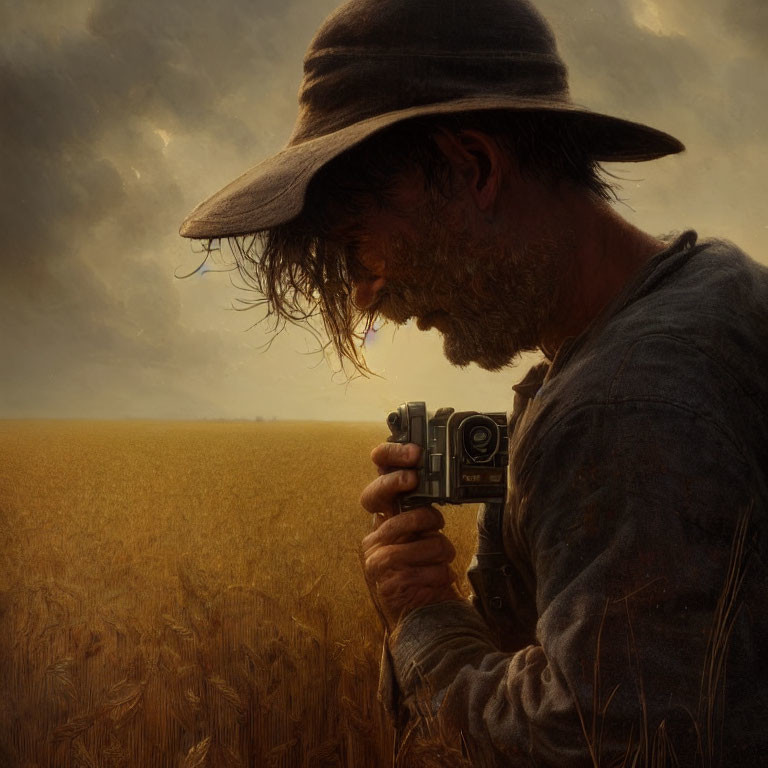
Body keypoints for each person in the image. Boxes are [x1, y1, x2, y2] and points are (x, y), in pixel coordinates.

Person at [180, 0, 768, 764]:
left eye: (359, 248)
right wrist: (514, 495)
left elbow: (590, 745)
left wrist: (421, 615)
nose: (364, 295)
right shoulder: (715, 285)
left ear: (474, 170)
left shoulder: (621, 406)